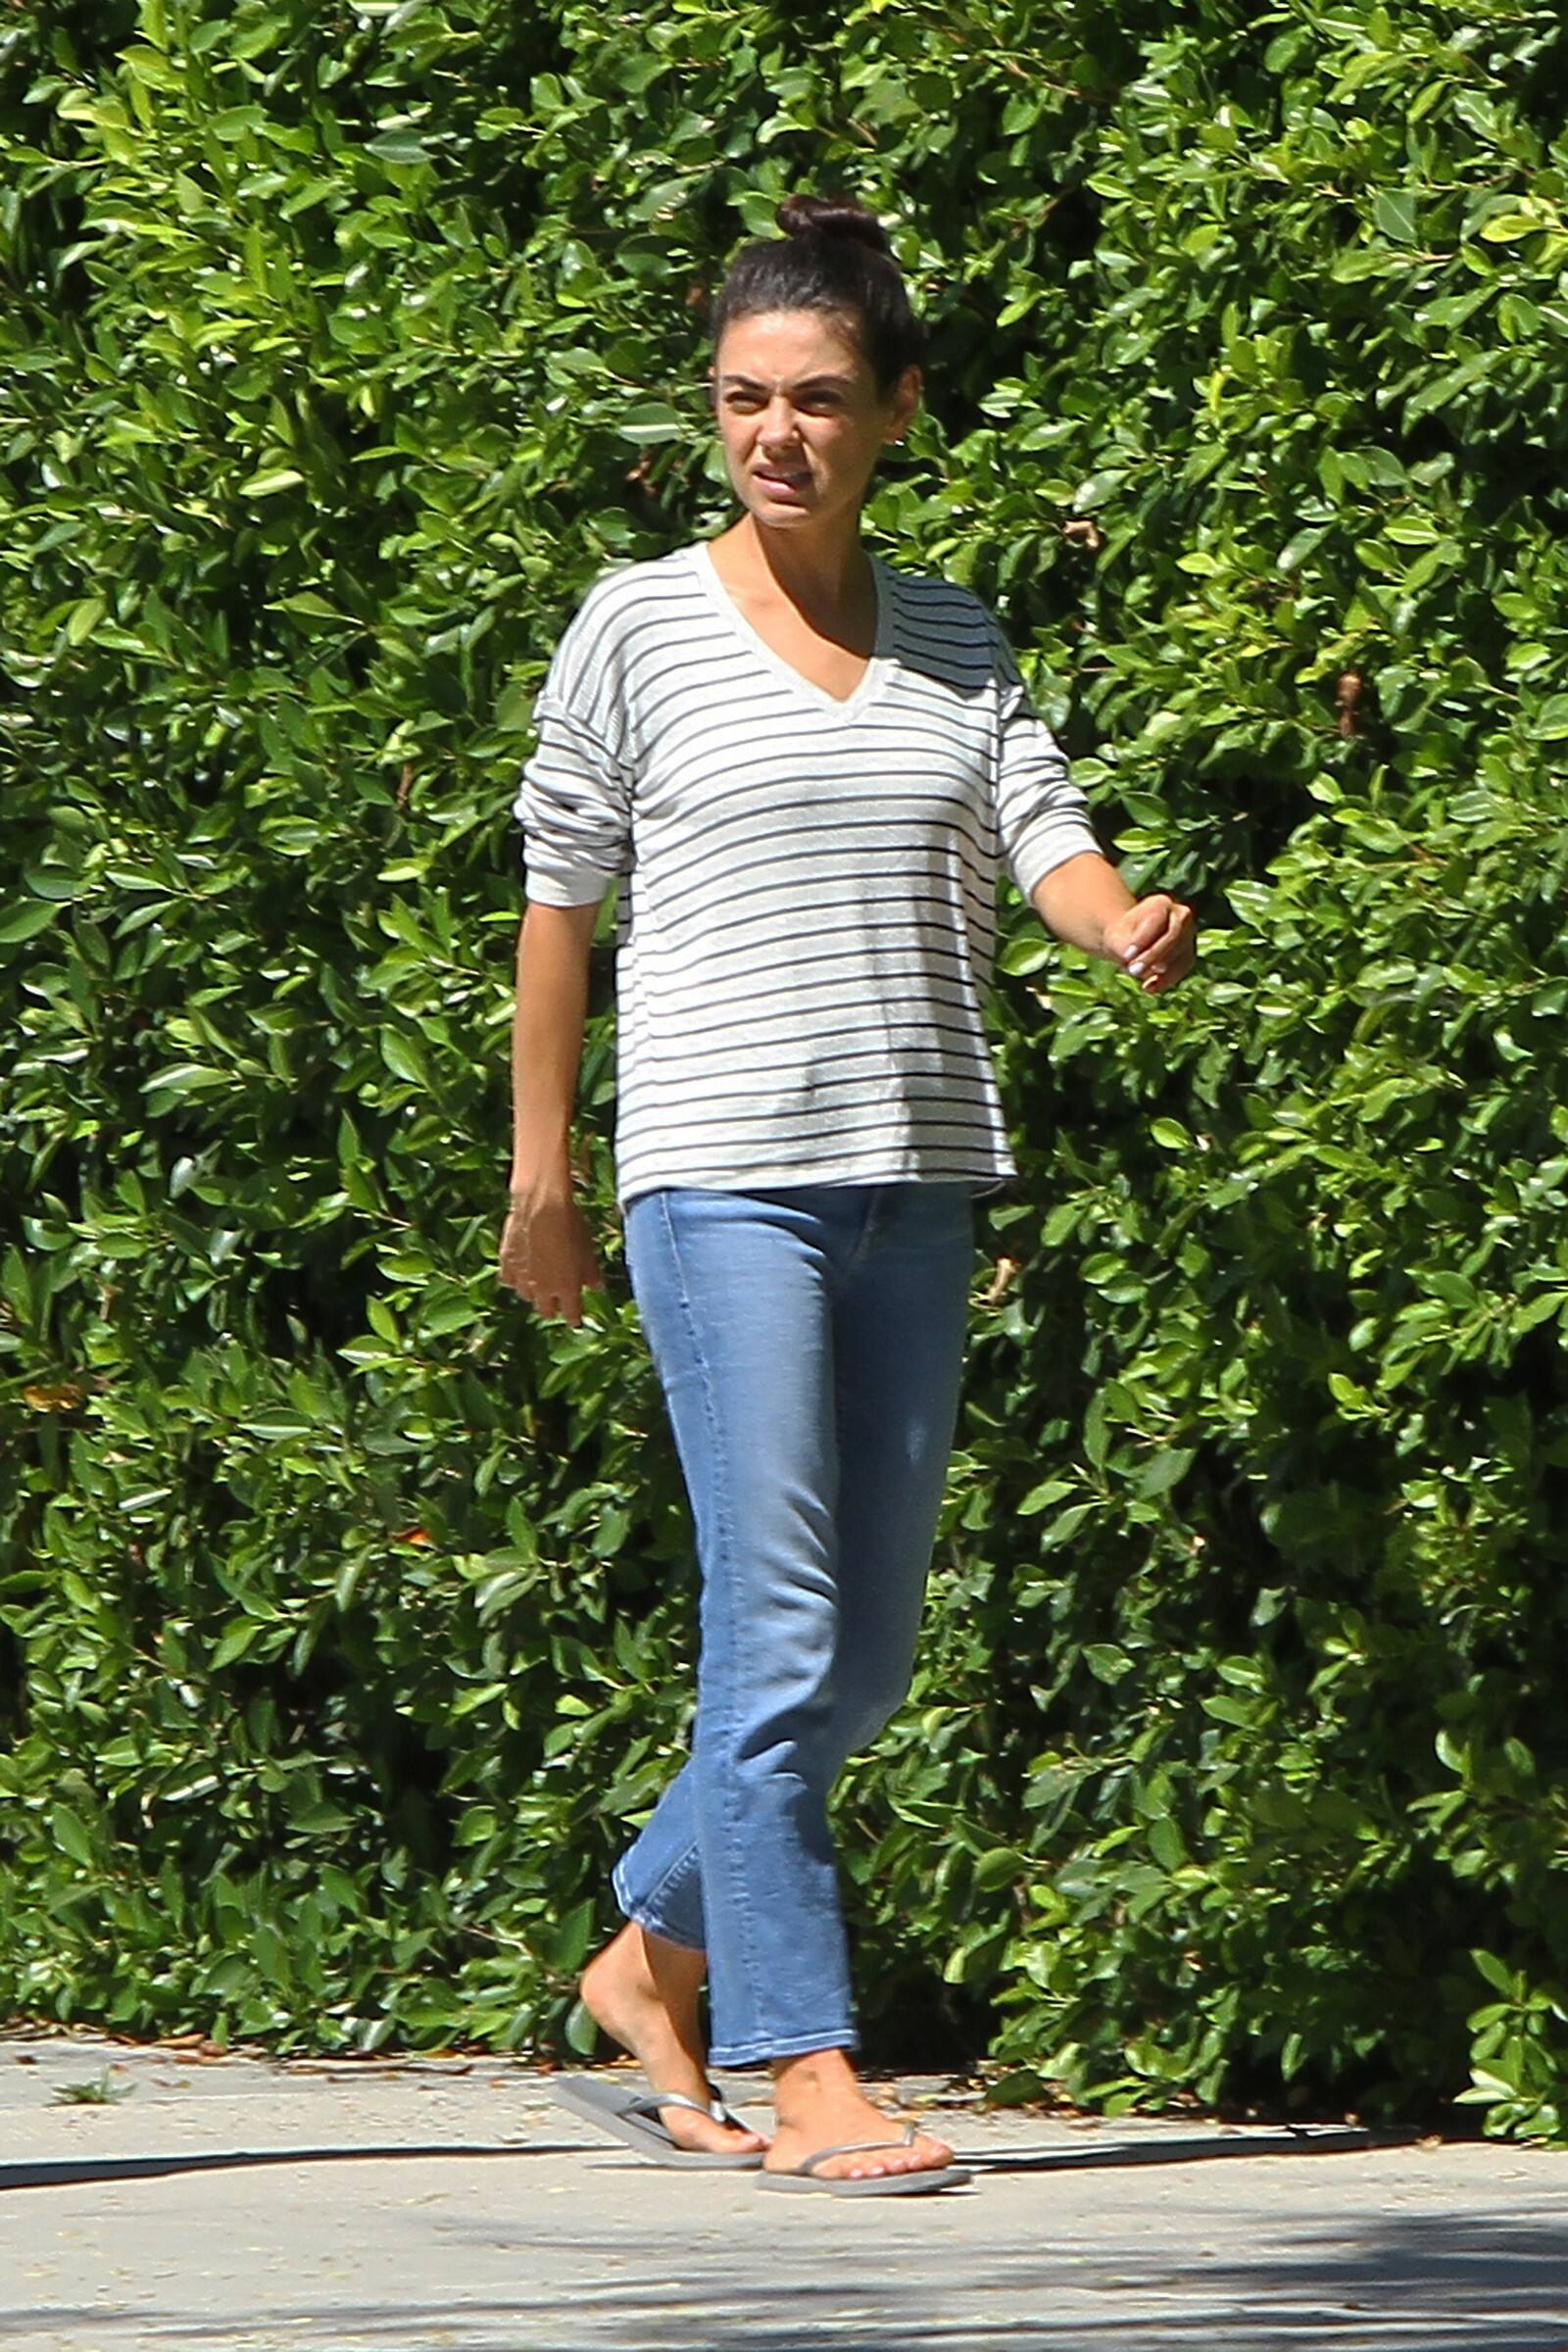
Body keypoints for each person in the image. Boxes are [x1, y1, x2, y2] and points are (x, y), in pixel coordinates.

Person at [500, 193, 1196, 2196]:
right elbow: (559, 905)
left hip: (918, 1173)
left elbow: (1038, 826)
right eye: (742, 399)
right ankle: (801, 2059)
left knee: (862, 1657)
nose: (774, 434)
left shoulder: (955, 631)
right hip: (720, 1175)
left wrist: (1110, 922)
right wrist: (545, 1174)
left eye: (814, 399)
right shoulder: (637, 623)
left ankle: (646, 1953)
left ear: (895, 409)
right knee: (780, 1629)